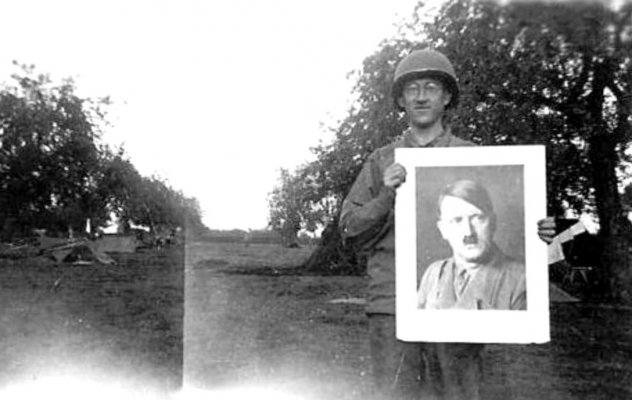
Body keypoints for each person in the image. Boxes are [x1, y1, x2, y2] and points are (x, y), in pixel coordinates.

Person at [339, 49, 555, 400]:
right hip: (390, 303)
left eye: (431, 87)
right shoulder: (381, 161)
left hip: (461, 308)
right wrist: (385, 196)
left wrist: (538, 232)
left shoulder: (472, 156)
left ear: (447, 97)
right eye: (412, 89)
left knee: (457, 394)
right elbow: (348, 231)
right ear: (401, 100)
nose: (421, 96)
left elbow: (514, 223)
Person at [417, 179, 527, 311]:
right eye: (457, 220)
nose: (468, 232)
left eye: (477, 218)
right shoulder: (433, 274)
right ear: (443, 230)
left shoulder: (522, 281)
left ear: (493, 222)